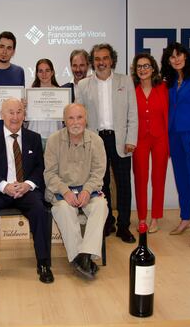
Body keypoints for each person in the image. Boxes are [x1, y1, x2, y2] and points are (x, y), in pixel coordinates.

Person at [0, 98, 54, 284]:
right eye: (10, 112)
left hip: (25, 190)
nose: (15, 117)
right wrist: (4, 186)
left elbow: (40, 168)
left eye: (19, 112)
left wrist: (28, 185)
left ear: (24, 115)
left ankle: (43, 263)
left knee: (40, 211)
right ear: (2, 115)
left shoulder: (34, 138)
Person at [77, 43, 138, 243]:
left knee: (123, 184)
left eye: (105, 58)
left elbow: (132, 113)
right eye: (97, 59)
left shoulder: (125, 81)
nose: (101, 62)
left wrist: (131, 139)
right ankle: (107, 222)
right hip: (95, 140)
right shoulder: (84, 85)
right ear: (93, 62)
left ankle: (123, 226)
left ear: (112, 60)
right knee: (100, 184)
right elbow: (80, 116)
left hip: (120, 140)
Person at [44, 103, 107, 279]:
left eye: (79, 117)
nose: (75, 122)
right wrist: (65, 191)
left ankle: (83, 256)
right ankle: (82, 257)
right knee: (63, 209)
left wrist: (87, 190)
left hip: (89, 190)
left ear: (86, 119)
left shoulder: (96, 141)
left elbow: (98, 172)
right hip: (62, 192)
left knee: (101, 206)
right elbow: (49, 174)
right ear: (64, 120)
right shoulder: (53, 140)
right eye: (71, 118)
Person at [160, 42, 190, 247]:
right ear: (168, 61)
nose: (176, 59)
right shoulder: (170, 81)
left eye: (179, 55)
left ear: (186, 56)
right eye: (172, 57)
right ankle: (185, 218)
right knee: (181, 179)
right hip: (174, 135)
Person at [131, 53, 169, 233]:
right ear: (135, 69)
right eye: (139, 66)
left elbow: (168, 114)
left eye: (146, 66)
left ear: (153, 68)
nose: (143, 69)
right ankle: (142, 218)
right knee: (140, 179)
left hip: (160, 137)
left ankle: (155, 217)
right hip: (139, 139)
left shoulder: (163, 87)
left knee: (158, 178)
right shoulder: (132, 89)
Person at [27, 58, 63, 148]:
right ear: (36, 73)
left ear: (52, 72)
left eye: (47, 70)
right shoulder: (29, 93)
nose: (44, 74)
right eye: (40, 71)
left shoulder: (61, 93)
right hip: (34, 136)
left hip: (55, 137)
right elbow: (25, 120)